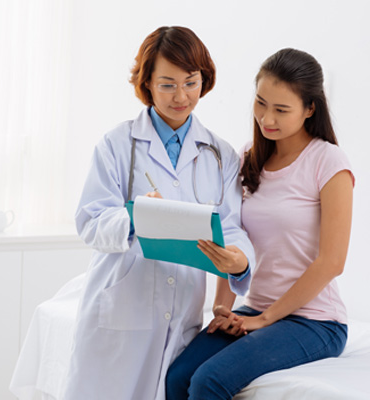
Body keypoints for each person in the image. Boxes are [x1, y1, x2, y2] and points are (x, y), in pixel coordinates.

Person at [63, 26, 256, 400]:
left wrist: (239, 261)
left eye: (191, 82)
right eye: (167, 84)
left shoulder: (221, 155)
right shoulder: (117, 145)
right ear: (147, 82)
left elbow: (230, 226)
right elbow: (90, 221)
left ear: (205, 81)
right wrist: (136, 216)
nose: (181, 96)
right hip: (121, 309)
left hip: (181, 314)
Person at [165, 48, 355, 399]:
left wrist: (264, 320)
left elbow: (332, 261)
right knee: (177, 377)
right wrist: (224, 308)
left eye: (281, 110)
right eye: (261, 102)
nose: (267, 118)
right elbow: (231, 238)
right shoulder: (248, 157)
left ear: (310, 109)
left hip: (314, 321)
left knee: (209, 381)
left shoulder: (328, 161)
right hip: (253, 309)